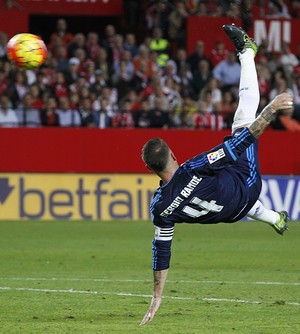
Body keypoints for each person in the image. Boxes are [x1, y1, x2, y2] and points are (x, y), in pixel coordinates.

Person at [140, 24, 292, 326]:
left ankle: (275, 218)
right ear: (172, 155)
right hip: (246, 184)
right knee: (242, 121)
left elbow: (162, 249)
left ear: (150, 169)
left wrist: (157, 295)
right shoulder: (193, 167)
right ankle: (247, 52)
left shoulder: (160, 207)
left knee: (221, 185)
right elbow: (241, 142)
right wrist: (272, 109)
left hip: (233, 211)